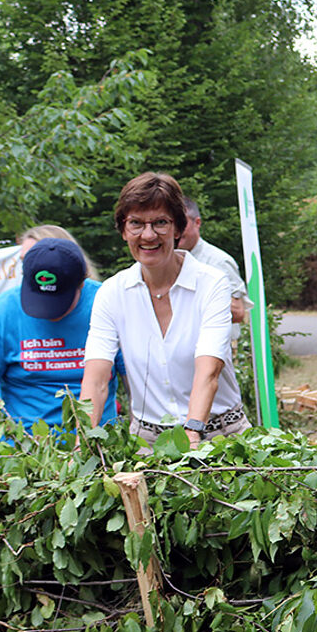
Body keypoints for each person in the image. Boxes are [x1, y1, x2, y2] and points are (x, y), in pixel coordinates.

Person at [80, 172, 249, 445]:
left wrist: (192, 433)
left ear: (178, 229)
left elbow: (209, 369)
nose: (148, 235)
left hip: (221, 436)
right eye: (135, 223)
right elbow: (96, 378)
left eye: (160, 223)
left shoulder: (211, 283)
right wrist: (83, 442)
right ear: (123, 230)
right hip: (147, 440)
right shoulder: (111, 293)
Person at [0, 236, 119, 435]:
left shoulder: (108, 304)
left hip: (100, 447)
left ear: (81, 284)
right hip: (25, 451)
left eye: (60, 301)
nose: (49, 313)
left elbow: (137, 384)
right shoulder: (0, 314)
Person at [178, 196, 250, 333]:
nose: (177, 231)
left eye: (183, 223)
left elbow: (238, 312)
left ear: (197, 223)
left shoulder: (218, 261)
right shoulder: (164, 261)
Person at [17, 224, 98, 279]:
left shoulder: (98, 297)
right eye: (23, 261)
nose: (22, 271)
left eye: (33, 261)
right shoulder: (10, 299)